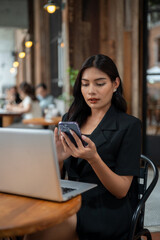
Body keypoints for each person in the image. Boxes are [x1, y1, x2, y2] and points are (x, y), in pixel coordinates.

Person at [25, 54, 141, 240]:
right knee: (31, 220)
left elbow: (121, 191)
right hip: (72, 199)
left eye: (100, 83)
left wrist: (94, 159)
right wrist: (58, 160)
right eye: (85, 84)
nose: (91, 91)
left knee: (41, 228)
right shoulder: (70, 119)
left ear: (115, 84)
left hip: (107, 208)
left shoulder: (129, 125)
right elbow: (60, 180)